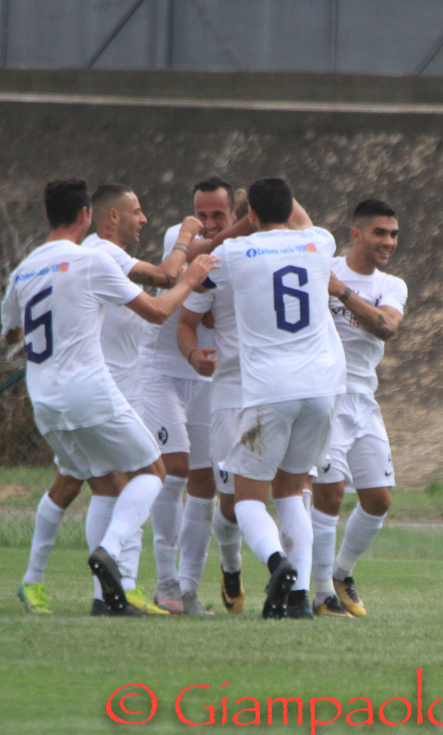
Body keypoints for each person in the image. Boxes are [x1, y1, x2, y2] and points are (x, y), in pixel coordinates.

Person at [5, 178, 216, 616]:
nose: (142, 218)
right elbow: (159, 310)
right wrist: (192, 277)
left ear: (48, 215)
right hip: (89, 391)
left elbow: (12, 331)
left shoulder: (23, 270)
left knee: (98, 484)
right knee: (152, 472)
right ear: (87, 215)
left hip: (44, 397)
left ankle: (54, 586)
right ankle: (110, 553)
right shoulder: (91, 260)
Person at [194, 177, 346, 619]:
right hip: (322, 388)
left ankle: (278, 563)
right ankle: (298, 599)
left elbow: (196, 271)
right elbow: (300, 221)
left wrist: (239, 227)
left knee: (247, 500)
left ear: (251, 214)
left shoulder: (234, 252)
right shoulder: (320, 242)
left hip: (270, 389)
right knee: (293, 491)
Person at [140, 177, 250, 615]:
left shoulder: (241, 253)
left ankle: (188, 589)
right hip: (161, 372)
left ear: (233, 213)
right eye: (200, 214)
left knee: (205, 483)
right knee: (176, 467)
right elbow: (201, 279)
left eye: (218, 215)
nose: (207, 222)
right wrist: (238, 229)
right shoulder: (181, 238)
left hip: (206, 377)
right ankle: (165, 581)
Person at [310, 199, 407, 617]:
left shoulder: (391, 285)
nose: (388, 241)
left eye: (393, 234)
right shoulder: (323, 268)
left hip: (364, 400)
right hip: (325, 395)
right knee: (329, 495)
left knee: (379, 500)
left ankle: (341, 572)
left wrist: (343, 294)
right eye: (379, 232)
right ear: (356, 233)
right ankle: (320, 595)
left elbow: (387, 326)